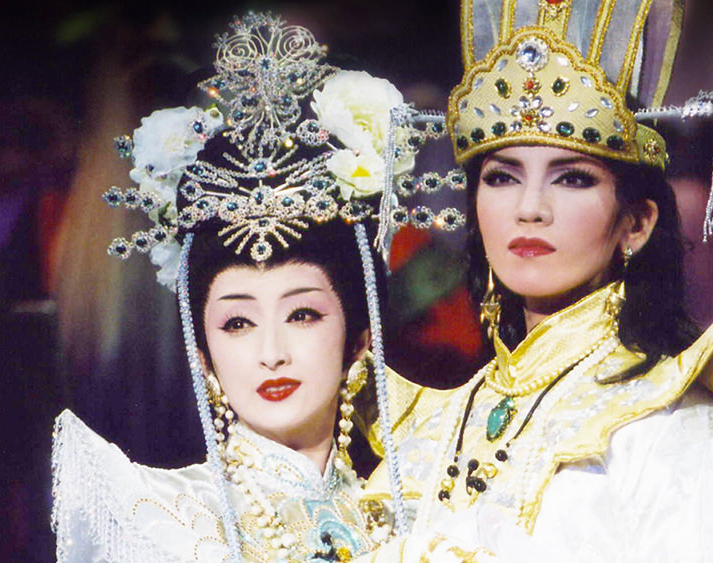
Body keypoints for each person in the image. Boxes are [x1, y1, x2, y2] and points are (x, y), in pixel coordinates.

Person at [357, 0, 713, 560]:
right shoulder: (433, 425)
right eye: (502, 177)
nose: (529, 208)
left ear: (636, 224)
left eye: (573, 179)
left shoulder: (678, 426)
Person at [50, 12, 459, 561]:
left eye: (302, 315)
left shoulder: (416, 516)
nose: (271, 353)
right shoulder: (161, 523)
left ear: (359, 340)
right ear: (202, 353)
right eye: (238, 323)